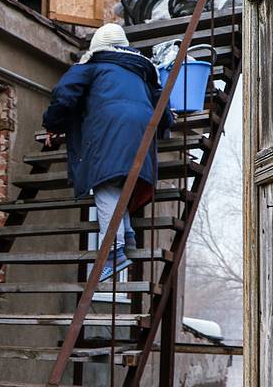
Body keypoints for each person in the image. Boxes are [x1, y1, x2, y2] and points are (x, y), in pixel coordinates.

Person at [41, 22, 174, 281]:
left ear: (97, 48)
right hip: (142, 132)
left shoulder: (92, 66)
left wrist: (52, 123)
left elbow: (64, 95)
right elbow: (164, 108)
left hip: (109, 129)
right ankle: (129, 237)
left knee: (104, 186)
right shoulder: (142, 74)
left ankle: (114, 252)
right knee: (118, 182)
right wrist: (167, 122)